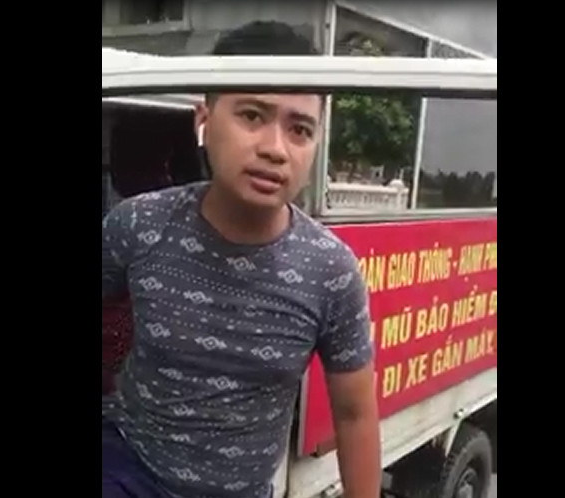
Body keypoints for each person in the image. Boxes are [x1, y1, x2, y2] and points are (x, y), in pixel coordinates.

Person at [102, 20, 381, 498]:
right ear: (203, 120)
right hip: (128, 470)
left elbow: (354, 415)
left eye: (300, 129)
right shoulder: (138, 225)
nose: (274, 149)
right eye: (252, 116)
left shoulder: (329, 271)